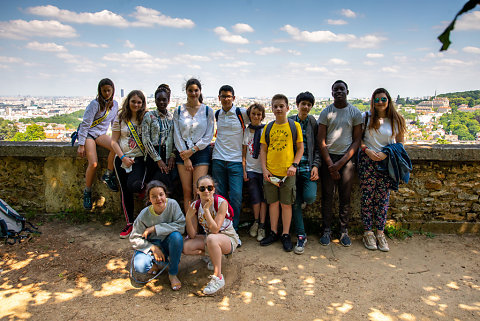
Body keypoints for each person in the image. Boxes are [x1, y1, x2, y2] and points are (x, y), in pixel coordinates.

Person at [358, 88, 406, 252]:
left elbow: (400, 144)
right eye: (377, 99)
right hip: (368, 161)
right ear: (372, 101)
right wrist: (367, 151)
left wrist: (386, 154)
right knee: (367, 197)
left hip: (386, 163)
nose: (380, 102)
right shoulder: (366, 118)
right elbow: (359, 140)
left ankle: (380, 233)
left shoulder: (397, 119)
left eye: (383, 99)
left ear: (389, 100)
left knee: (383, 199)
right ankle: (368, 232)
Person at [317, 80, 363, 247]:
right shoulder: (326, 113)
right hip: (329, 158)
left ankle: (344, 230)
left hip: (347, 159)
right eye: (335, 90)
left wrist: (342, 162)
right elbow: (320, 140)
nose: (338, 92)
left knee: (345, 196)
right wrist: (330, 164)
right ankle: (326, 230)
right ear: (332, 93)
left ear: (347, 92)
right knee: (328, 196)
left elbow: (357, 140)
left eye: (341, 89)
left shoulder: (355, 113)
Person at [259, 94, 304, 252]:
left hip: (288, 173)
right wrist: (264, 169)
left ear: (287, 108)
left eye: (281, 106)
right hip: (271, 172)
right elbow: (263, 150)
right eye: (275, 106)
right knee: (273, 203)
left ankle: (285, 234)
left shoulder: (294, 126)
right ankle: (273, 232)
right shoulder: (268, 127)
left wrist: (294, 165)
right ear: (272, 108)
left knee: (286, 205)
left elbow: (300, 148)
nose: (278, 109)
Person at [183, 175, 240, 295]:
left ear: (214, 189)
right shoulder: (195, 205)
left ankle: (218, 277)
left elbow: (215, 229)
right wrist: (188, 218)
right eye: (202, 188)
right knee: (186, 247)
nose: (206, 191)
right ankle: (213, 256)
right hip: (210, 238)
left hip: (227, 238)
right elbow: (192, 235)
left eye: (209, 188)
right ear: (197, 190)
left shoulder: (221, 202)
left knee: (212, 238)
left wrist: (207, 210)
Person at [129, 180, 185, 290]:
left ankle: (172, 273)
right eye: (154, 196)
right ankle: (155, 262)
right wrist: (152, 247)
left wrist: (155, 228)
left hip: (167, 242)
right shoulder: (144, 214)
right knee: (141, 266)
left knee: (177, 237)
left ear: (166, 194)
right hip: (152, 243)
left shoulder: (173, 205)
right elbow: (134, 237)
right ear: (149, 199)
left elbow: (181, 226)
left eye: (161, 194)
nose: (159, 199)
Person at [77, 78, 119, 210]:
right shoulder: (94, 104)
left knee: (116, 147)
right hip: (90, 134)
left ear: (113, 91)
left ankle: (108, 174)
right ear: (100, 91)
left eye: (109, 90)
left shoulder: (115, 104)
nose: (107, 93)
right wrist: (81, 144)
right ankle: (87, 191)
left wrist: (116, 137)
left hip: (101, 134)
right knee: (93, 163)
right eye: (104, 91)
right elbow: (85, 124)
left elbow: (114, 124)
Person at [173, 78, 214, 212]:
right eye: (190, 90)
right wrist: (186, 156)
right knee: (187, 191)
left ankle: (200, 223)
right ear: (186, 91)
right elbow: (177, 135)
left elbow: (208, 135)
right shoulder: (179, 110)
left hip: (201, 152)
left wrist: (192, 151)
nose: (193, 93)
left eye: (196, 90)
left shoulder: (208, 111)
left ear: (200, 91)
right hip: (182, 151)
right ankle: (190, 226)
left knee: (199, 191)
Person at [212, 85, 249, 233]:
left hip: (236, 160)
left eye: (228, 96)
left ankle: (233, 228)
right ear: (219, 98)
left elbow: (257, 120)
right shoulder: (217, 114)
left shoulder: (241, 113)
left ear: (233, 98)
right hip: (218, 158)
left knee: (236, 197)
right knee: (219, 197)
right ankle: (221, 227)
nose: (226, 99)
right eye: (223, 96)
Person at [288, 92, 321, 254]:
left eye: (309, 104)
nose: (306, 107)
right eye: (303, 104)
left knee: (309, 197)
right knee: (294, 203)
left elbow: (318, 147)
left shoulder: (313, 123)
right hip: (293, 168)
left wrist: (316, 165)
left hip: (308, 167)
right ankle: (301, 235)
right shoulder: (290, 122)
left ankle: (301, 198)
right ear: (297, 105)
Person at [111, 90, 147, 238]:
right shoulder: (120, 118)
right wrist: (123, 157)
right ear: (128, 102)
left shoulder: (145, 118)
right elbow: (114, 141)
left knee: (136, 185)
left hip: (139, 159)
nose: (136, 105)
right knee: (125, 191)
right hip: (122, 158)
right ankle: (129, 223)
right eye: (133, 101)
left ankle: (144, 220)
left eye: (139, 102)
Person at [142, 84, 176, 188]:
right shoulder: (149, 116)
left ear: (168, 101)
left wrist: (172, 156)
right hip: (153, 157)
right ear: (155, 100)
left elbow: (175, 138)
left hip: (167, 157)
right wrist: (158, 160)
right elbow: (146, 140)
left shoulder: (171, 117)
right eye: (159, 99)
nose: (161, 102)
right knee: (155, 186)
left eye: (164, 100)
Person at [242, 103, 267, 242]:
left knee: (264, 199)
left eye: (259, 114)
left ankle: (262, 225)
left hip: (263, 169)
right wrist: (244, 170)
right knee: (255, 198)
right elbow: (244, 153)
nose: (256, 117)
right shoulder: (246, 131)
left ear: (262, 116)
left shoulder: (266, 130)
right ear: (249, 115)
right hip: (251, 169)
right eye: (253, 114)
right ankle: (256, 221)